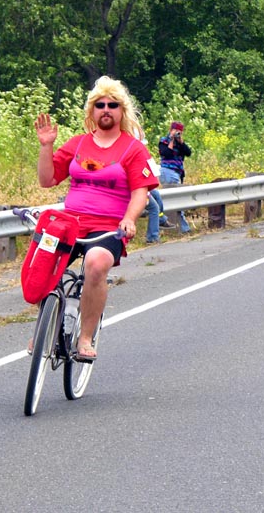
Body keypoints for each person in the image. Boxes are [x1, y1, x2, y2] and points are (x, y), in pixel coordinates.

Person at [34, 76, 158, 360]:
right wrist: (46, 147)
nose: (106, 109)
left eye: (112, 105)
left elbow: (141, 192)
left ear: (121, 111)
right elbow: (47, 179)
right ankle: (44, 329)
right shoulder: (78, 144)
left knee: (95, 264)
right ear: (91, 111)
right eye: (100, 104)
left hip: (106, 227)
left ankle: (86, 337)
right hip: (70, 223)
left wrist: (129, 220)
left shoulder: (132, 149)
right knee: (43, 262)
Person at [158, 121, 193, 234]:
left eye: (180, 132)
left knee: (175, 200)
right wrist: (172, 140)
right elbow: (166, 153)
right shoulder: (164, 140)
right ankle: (183, 228)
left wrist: (180, 141)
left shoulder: (180, 142)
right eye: (176, 131)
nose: (178, 133)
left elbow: (188, 153)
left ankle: (176, 227)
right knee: (175, 200)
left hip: (177, 172)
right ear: (171, 130)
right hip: (168, 171)